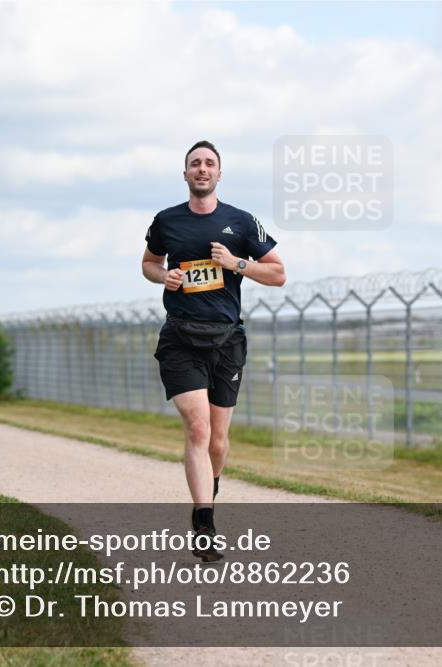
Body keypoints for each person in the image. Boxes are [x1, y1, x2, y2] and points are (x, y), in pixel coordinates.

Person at [142, 140, 286, 561]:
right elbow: (149, 263)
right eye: (194, 164)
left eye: (209, 164)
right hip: (180, 338)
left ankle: (210, 482)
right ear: (185, 174)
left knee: (218, 442)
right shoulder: (166, 221)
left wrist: (237, 264)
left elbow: (278, 274)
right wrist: (162, 277)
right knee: (198, 429)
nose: (202, 169)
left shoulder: (241, 222)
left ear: (219, 174)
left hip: (226, 340)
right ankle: (204, 522)